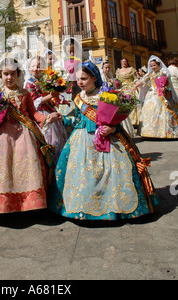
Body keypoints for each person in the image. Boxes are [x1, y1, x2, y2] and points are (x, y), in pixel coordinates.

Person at [48, 61, 159, 221]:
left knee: (111, 173)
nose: (80, 82)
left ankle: (114, 208)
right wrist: (63, 118)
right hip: (82, 140)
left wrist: (112, 128)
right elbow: (77, 121)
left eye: (84, 79)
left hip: (108, 139)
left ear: (94, 77)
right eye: (78, 79)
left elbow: (115, 119)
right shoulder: (79, 97)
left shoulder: (106, 95)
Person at [0, 56, 62, 214]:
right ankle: (4, 205)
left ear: (18, 75)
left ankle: (27, 204)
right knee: (4, 169)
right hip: (3, 137)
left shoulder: (25, 94)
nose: (9, 77)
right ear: (0, 75)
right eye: (6, 74)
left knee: (27, 168)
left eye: (13, 74)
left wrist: (48, 118)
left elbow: (34, 114)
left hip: (25, 136)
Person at [24, 55, 67, 165]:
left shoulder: (43, 81)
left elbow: (48, 99)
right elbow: (33, 102)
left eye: (39, 66)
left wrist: (59, 100)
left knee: (56, 142)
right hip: (40, 114)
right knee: (48, 141)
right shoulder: (29, 83)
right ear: (29, 67)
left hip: (49, 112)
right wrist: (51, 96)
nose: (35, 69)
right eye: (33, 66)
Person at [134, 55, 178, 139]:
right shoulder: (150, 74)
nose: (153, 67)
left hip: (163, 94)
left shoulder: (164, 72)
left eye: (154, 65)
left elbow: (168, 81)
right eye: (151, 66)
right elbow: (143, 80)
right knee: (149, 110)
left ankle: (167, 132)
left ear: (158, 64)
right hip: (152, 94)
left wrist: (164, 87)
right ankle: (150, 132)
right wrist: (136, 85)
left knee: (164, 112)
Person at [101, 60, 135, 137]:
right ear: (102, 68)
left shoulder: (110, 77)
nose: (107, 69)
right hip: (106, 99)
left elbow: (115, 87)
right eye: (106, 68)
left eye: (109, 68)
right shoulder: (102, 77)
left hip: (113, 98)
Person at [116, 57, 139, 126]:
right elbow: (118, 81)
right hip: (122, 88)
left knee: (132, 102)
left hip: (130, 87)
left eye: (125, 61)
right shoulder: (118, 71)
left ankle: (134, 120)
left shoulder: (131, 69)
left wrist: (135, 86)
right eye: (123, 61)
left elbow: (135, 79)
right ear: (121, 62)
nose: (124, 63)